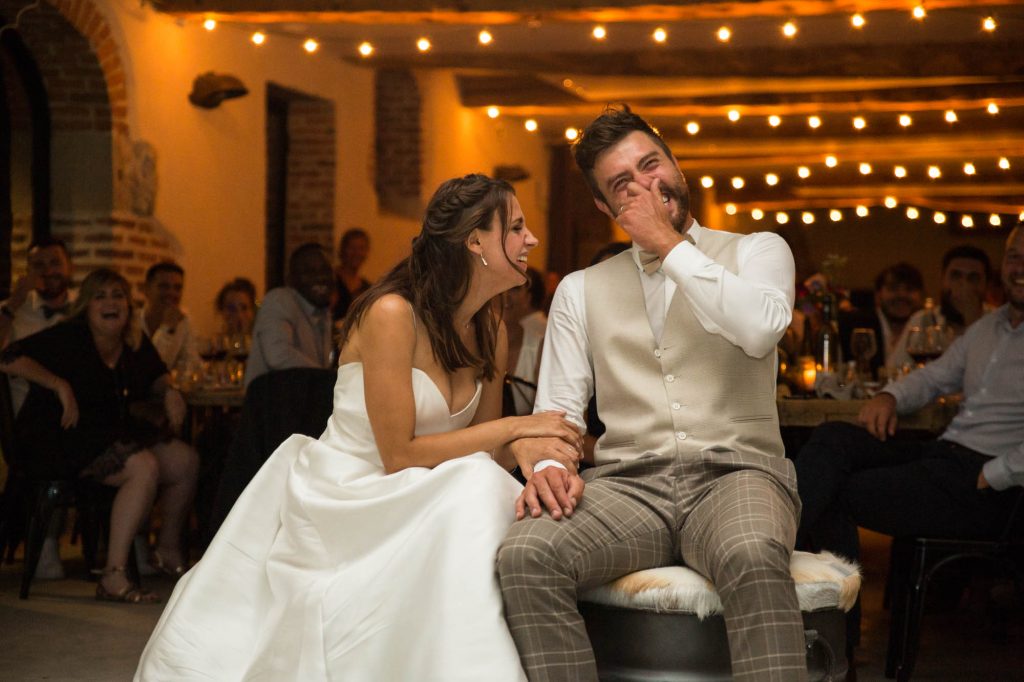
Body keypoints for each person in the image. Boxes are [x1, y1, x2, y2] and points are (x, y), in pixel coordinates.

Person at [134, 174, 583, 680]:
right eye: (517, 227)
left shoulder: (491, 329)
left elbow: (484, 449)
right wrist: (516, 427)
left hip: (433, 489)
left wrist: (524, 444)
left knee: (484, 485)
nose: (531, 240)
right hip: (352, 491)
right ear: (475, 241)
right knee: (477, 487)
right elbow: (398, 454)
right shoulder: (391, 314)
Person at [497, 106, 807, 681]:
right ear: (604, 207)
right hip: (628, 487)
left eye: (651, 165)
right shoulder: (579, 290)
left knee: (751, 551)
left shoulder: (758, 250)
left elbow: (760, 329)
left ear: (675, 164)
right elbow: (556, 414)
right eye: (622, 184)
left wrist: (668, 243)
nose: (645, 186)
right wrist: (549, 465)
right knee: (526, 554)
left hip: (737, 473)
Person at [795, 223, 1024, 658]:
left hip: (988, 486)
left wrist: (997, 474)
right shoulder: (989, 327)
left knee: (835, 492)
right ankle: (779, 545)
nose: (1020, 268)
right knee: (833, 438)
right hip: (944, 454)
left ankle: (835, 642)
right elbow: (935, 376)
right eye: (1014, 257)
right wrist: (890, 396)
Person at [0, 268, 199, 602]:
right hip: (58, 437)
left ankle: (166, 549)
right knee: (143, 466)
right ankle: (113, 575)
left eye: (118, 296)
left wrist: (170, 391)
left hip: (107, 434)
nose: (111, 303)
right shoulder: (69, 336)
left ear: (128, 305)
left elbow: (156, 374)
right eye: (100, 296)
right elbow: (7, 357)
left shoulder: (132, 340)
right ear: (86, 306)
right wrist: (58, 384)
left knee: (185, 460)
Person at [0, 237, 75, 579]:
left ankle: (131, 543)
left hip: (79, 413)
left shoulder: (84, 306)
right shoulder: (13, 311)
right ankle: (46, 543)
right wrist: (14, 302)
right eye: (38, 265)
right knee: (54, 447)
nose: (48, 271)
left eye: (54, 263)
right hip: (28, 425)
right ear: (28, 271)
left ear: (69, 267)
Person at [244, 243, 335, 387]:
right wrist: (328, 378)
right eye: (309, 272)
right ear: (291, 279)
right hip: (272, 400)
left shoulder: (322, 312)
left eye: (326, 270)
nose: (320, 277)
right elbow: (278, 355)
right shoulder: (279, 300)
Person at [888, 245, 992, 368]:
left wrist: (970, 320)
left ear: (986, 285)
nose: (963, 285)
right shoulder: (922, 320)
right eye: (956, 276)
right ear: (942, 280)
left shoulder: (998, 323)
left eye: (973, 278)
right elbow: (895, 369)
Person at [839, 262, 924, 378]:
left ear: (921, 296)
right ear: (878, 295)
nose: (902, 296)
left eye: (909, 289)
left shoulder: (927, 331)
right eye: (893, 289)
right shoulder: (854, 326)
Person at [137, 261, 201, 379]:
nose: (171, 293)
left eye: (177, 288)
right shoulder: (131, 322)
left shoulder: (184, 322)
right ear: (146, 289)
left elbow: (192, 366)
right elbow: (147, 368)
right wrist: (166, 329)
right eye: (164, 286)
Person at [503, 266, 547, 416]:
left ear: (528, 297)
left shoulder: (539, 346)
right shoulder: (472, 342)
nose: (506, 294)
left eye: (514, 288)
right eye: (502, 285)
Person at [331, 227, 371, 322]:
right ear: (342, 250)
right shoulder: (331, 280)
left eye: (361, 248)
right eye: (352, 247)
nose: (356, 253)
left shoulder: (367, 288)